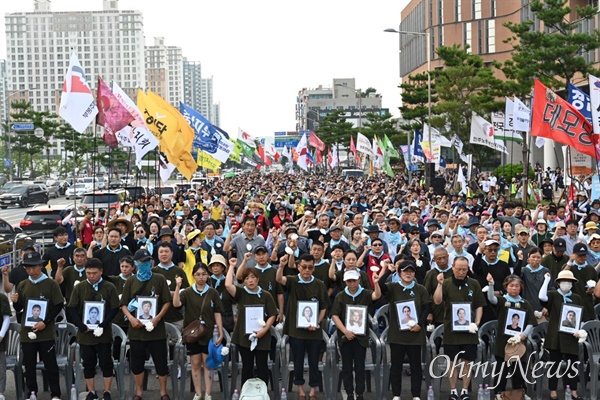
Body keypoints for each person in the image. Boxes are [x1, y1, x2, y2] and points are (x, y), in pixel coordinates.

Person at [120, 249, 173, 400]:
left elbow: (167, 302)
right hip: (136, 330)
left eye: (148, 261)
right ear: (136, 264)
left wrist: (157, 318)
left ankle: (163, 392)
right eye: (142, 262)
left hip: (156, 330)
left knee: (161, 363)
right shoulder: (130, 281)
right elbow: (123, 304)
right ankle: (139, 392)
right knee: (136, 364)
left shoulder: (159, 278)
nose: (146, 264)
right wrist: (131, 318)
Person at [11, 251, 64, 400]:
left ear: (41, 265)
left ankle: (55, 394)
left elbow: (58, 305)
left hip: (46, 333)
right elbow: (20, 309)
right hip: (27, 333)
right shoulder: (22, 285)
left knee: (51, 365)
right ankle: (32, 392)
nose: (31, 271)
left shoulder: (51, 283)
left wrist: (45, 322)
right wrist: (16, 302)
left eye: (34, 267)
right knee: (29, 365)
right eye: (27, 268)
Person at [277, 254, 329, 400]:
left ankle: (312, 391)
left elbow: (324, 307)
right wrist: (281, 266)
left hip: (314, 332)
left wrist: (317, 322)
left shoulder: (319, 284)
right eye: (304, 267)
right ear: (299, 267)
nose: (307, 270)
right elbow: (279, 279)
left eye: (310, 267)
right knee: (297, 361)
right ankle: (300, 390)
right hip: (296, 331)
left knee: (314, 362)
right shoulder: (293, 281)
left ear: (314, 268)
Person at [433, 256, 485, 400]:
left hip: (469, 331)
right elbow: (437, 301)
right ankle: (453, 390)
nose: (462, 272)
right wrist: (439, 284)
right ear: (453, 268)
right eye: (459, 269)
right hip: (451, 331)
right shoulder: (446, 283)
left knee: (467, 362)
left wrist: (477, 322)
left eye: (464, 269)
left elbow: (479, 305)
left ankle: (464, 391)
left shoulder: (474, 284)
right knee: (452, 362)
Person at [67, 257, 119, 400]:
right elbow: (72, 307)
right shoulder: (80, 287)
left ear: (101, 272)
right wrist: (81, 325)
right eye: (88, 273)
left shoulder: (109, 287)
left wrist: (103, 324)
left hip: (103, 333)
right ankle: (91, 391)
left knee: (106, 362)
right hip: (85, 334)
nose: (91, 276)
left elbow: (115, 308)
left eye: (94, 273)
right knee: (88, 362)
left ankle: (107, 391)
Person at [379, 260, 430, 400]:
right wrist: (388, 270)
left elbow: (426, 307)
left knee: (416, 367)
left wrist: (420, 324)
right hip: (397, 335)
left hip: (415, 334)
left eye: (411, 271)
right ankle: (396, 394)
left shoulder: (420, 289)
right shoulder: (393, 287)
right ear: (399, 273)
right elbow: (380, 285)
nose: (408, 274)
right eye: (405, 271)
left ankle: (416, 395)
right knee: (396, 366)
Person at [173, 262, 224, 400]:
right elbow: (176, 304)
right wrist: (178, 286)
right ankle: (198, 393)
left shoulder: (212, 292)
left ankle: (207, 393)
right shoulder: (188, 292)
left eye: (204, 274)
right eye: (198, 274)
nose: (201, 277)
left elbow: (217, 313)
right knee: (195, 364)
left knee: (208, 364)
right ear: (193, 276)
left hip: (208, 333)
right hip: (192, 334)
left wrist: (221, 332)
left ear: (207, 275)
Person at [224, 257, 276, 387]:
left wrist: (264, 330)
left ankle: (262, 393)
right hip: (244, 337)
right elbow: (228, 285)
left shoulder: (265, 295)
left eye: (253, 277)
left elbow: (272, 315)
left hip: (262, 337)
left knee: (262, 367)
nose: (250, 280)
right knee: (247, 367)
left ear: (257, 279)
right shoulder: (241, 293)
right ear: (244, 281)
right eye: (247, 278)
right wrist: (231, 266)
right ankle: (246, 393)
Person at [331, 269, 382, 400]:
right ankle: (349, 393)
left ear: (359, 280)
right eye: (349, 281)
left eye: (354, 280)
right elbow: (335, 316)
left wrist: (376, 283)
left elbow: (376, 296)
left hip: (361, 337)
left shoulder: (365, 293)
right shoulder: (340, 296)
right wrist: (345, 331)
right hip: (345, 337)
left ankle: (360, 393)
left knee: (360, 367)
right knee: (347, 367)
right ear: (345, 282)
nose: (352, 283)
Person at [540, 269, 591, 400]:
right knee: (554, 364)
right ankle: (553, 390)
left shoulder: (577, 298)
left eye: (569, 281)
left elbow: (582, 318)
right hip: (555, 337)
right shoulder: (552, 295)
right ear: (558, 283)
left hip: (571, 337)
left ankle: (573, 390)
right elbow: (542, 297)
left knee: (572, 365)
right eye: (564, 281)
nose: (566, 283)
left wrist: (580, 330)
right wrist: (546, 280)